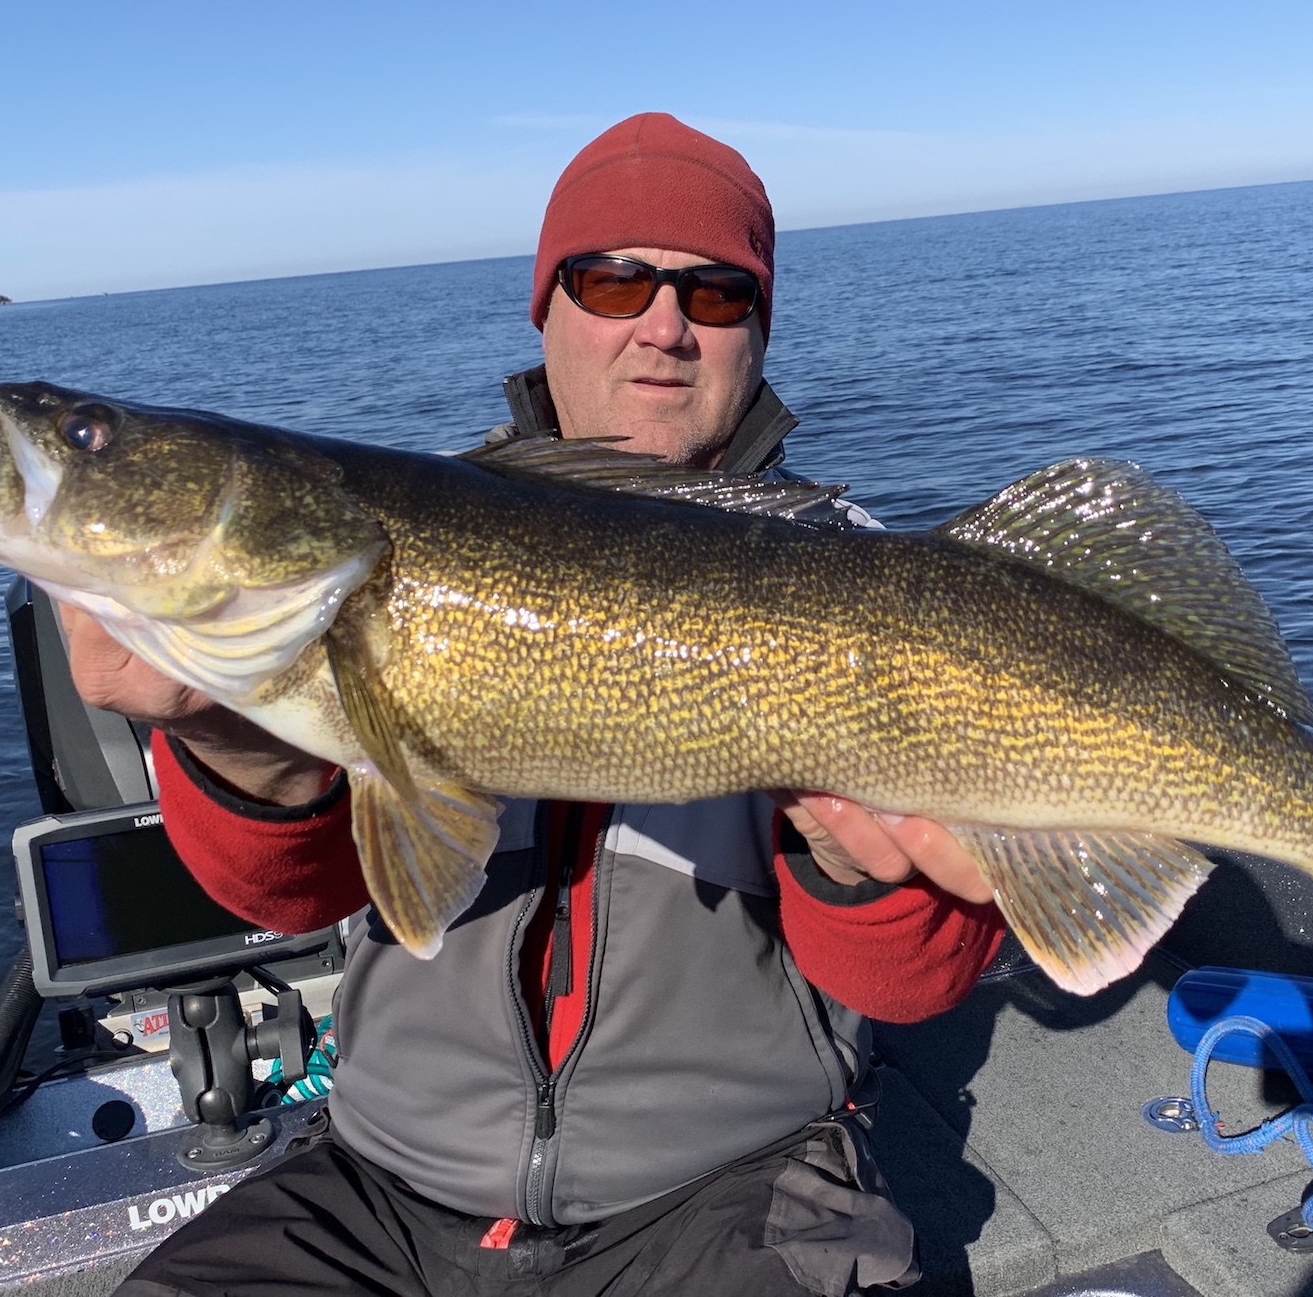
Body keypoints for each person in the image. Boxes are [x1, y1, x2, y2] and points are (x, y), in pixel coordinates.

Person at [75, 113, 1007, 1297]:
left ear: (758, 331)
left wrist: (853, 857)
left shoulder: (866, 583)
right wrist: (223, 732)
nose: (663, 325)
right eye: (614, 278)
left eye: (716, 294)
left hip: (731, 1184)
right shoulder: (400, 536)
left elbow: (910, 986)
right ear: (548, 308)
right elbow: (290, 892)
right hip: (377, 1180)